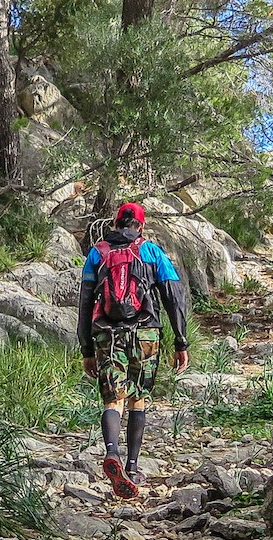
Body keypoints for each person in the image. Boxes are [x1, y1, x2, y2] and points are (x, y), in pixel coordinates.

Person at [78, 202, 190, 498]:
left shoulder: (97, 253)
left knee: (112, 400)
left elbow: (86, 302)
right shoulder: (151, 251)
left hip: (106, 333)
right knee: (138, 399)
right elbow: (173, 296)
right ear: (141, 225)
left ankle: (112, 452)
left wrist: (86, 348)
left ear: (115, 224)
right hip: (146, 333)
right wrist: (181, 341)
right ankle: (133, 464)